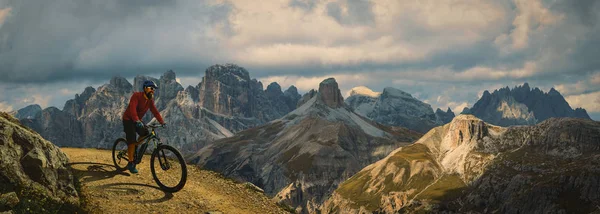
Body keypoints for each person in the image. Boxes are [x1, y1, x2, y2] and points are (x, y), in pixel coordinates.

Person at [122, 80, 165, 173]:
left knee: (146, 133)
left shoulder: (150, 100)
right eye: (151, 88)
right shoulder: (136, 96)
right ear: (145, 88)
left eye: (154, 89)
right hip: (128, 119)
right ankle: (130, 163)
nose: (153, 91)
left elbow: (155, 112)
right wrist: (137, 120)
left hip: (137, 120)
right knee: (132, 140)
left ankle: (135, 146)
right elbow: (133, 109)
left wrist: (162, 122)